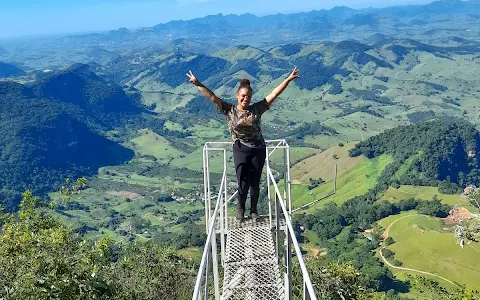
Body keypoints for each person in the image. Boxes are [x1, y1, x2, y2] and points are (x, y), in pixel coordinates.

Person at [186, 67, 300, 221]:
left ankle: (253, 210)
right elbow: (212, 96)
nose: (246, 99)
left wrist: (288, 79)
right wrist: (197, 83)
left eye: (249, 96)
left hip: (258, 149)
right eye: (243, 96)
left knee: (255, 182)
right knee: (242, 182)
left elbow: (274, 94)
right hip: (241, 149)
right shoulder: (229, 110)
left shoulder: (257, 109)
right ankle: (240, 209)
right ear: (237, 95)